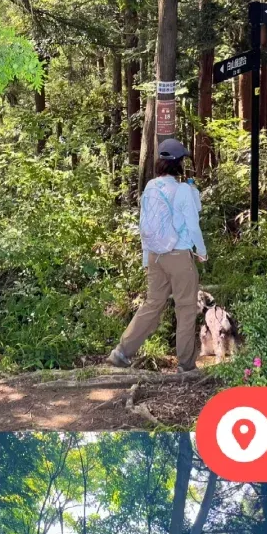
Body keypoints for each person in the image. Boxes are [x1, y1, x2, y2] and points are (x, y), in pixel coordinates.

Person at [107, 138, 207, 373]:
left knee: (152, 304)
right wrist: (201, 252)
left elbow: (145, 225)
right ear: (179, 163)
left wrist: (146, 258)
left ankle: (121, 352)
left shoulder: (151, 187)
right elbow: (193, 226)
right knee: (185, 308)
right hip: (179, 256)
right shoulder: (183, 190)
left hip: (155, 256)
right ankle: (186, 364)